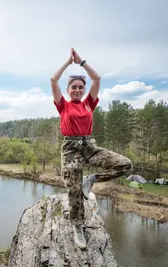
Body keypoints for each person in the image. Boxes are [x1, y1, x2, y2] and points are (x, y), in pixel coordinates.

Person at [50, 48, 132, 249]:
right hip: (70, 150)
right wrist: (68, 63)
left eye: (80, 87)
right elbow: (53, 80)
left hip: (89, 146)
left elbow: (97, 79)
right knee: (74, 191)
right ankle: (77, 227)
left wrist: (82, 62)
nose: (77, 90)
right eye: (74, 87)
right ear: (68, 90)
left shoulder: (88, 104)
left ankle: (92, 179)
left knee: (125, 165)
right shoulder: (63, 105)